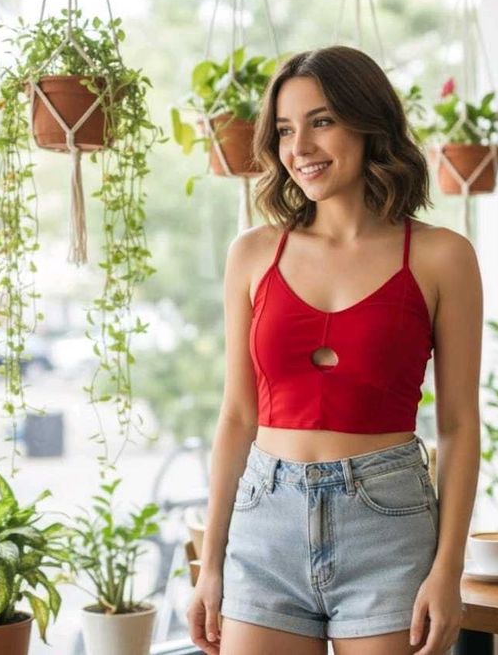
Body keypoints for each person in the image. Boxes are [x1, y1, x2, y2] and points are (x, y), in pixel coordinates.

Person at [187, 45, 482, 655]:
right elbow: (238, 417)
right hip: (265, 525)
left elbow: (457, 424)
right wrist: (209, 564)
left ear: (369, 123)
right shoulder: (251, 254)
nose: (300, 149)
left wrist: (447, 570)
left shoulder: (442, 256)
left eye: (321, 122)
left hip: (388, 526)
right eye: (286, 131)